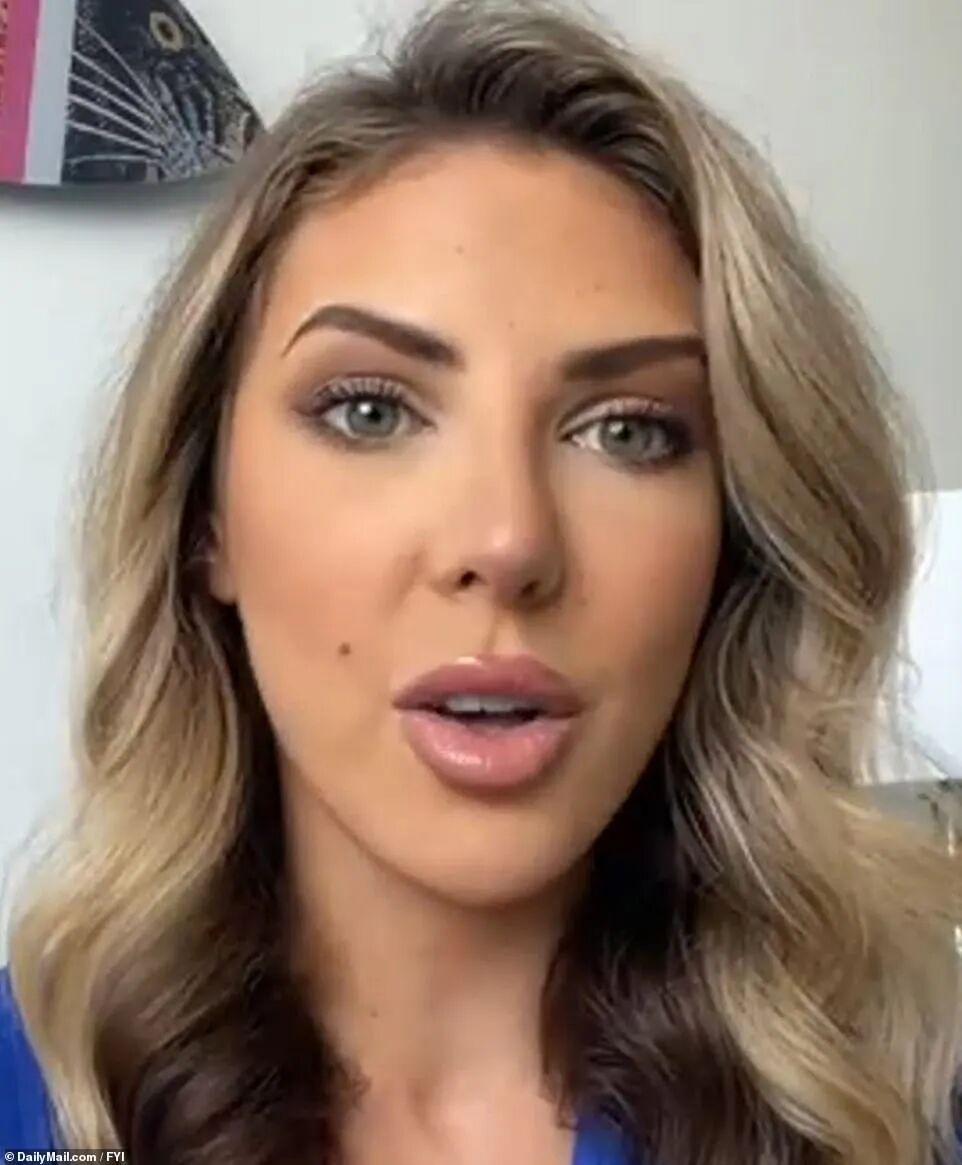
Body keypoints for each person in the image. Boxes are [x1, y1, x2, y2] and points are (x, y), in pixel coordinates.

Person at [1, 0, 960, 1161]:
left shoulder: (896, 1107)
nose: (507, 540)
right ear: (208, 517)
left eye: (627, 431)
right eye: (369, 410)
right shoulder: (32, 1095)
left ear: (737, 537)